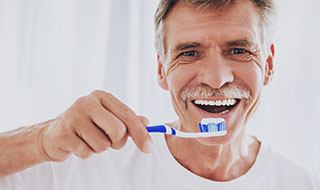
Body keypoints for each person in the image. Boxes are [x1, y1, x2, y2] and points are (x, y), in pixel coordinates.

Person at [0, 0, 319, 189]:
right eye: (190, 53)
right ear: (161, 70)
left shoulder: (301, 184)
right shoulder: (86, 164)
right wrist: (41, 141)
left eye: (238, 50)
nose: (217, 78)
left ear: (269, 64)